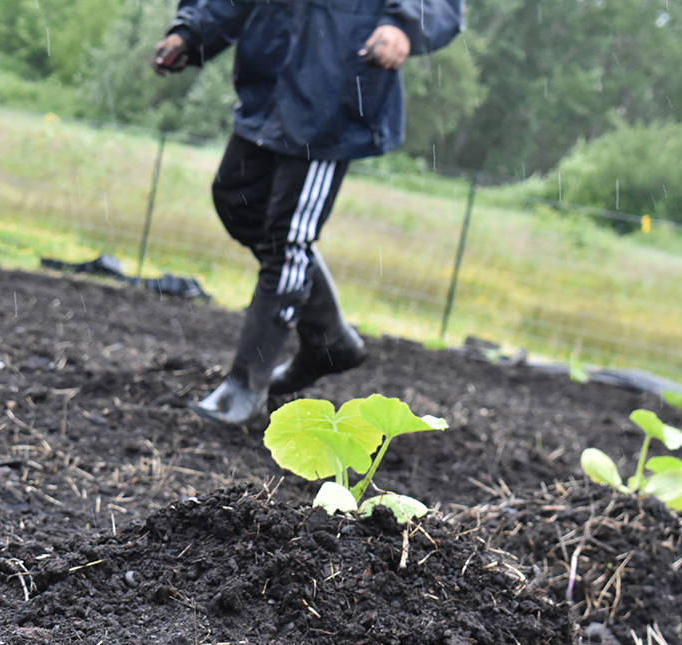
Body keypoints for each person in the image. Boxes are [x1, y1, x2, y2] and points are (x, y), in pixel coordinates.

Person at [152, 0, 463, 425]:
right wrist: (192, 32)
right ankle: (329, 339)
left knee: (288, 240)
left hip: (333, 97)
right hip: (269, 85)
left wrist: (403, 27)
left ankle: (246, 384)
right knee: (236, 201)